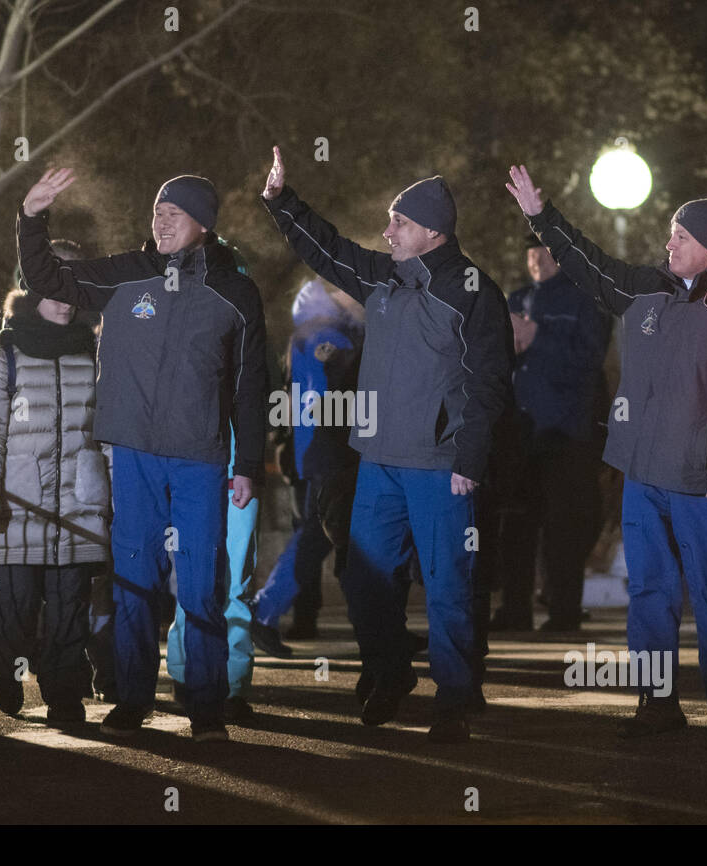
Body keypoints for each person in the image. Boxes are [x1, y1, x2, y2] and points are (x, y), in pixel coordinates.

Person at [506, 165, 707, 742]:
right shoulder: (645, 287)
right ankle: (656, 702)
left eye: (680, 235)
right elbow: (589, 263)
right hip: (644, 474)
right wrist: (542, 216)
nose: (668, 242)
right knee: (650, 595)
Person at [261, 147, 512, 743]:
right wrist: (281, 202)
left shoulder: (473, 290)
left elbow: (490, 382)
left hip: (440, 465)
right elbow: (326, 248)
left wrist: (470, 459)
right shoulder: (383, 277)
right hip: (377, 462)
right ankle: (391, 670)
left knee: (449, 586)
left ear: (432, 231)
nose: (387, 230)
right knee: (364, 578)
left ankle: (452, 698)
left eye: (399, 222)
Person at [18, 168, 267, 743]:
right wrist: (32, 217)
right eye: (156, 211)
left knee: (201, 582)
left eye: (173, 213)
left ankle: (206, 706)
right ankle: (131, 698)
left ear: (203, 224)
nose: (160, 221)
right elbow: (44, 276)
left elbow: (249, 384)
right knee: (133, 578)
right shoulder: (124, 275)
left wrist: (248, 463)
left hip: (201, 457)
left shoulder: (236, 292)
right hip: (132, 454)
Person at [0, 289, 109, 726]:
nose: (67, 302)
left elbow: (108, 433)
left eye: (74, 291)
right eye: (55, 292)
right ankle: (5, 663)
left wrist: (114, 496)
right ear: (30, 295)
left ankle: (65, 693)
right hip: (16, 505)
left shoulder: (95, 352)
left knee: (71, 604)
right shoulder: (5, 356)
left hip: (78, 501)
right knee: (17, 604)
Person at [493, 238, 610, 633]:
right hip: (521, 433)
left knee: (564, 528)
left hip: (566, 432)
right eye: (530, 253)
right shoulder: (517, 297)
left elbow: (591, 359)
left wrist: (537, 336)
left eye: (544, 252)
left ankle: (564, 612)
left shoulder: (583, 302)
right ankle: (514, 609)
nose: (536, 259)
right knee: (516, 528)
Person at [249, 279, 363, 657]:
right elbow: (331, 397)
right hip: (332, 454)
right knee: (318, 537)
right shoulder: (330, 337)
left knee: (328, 538)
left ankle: (381, 629)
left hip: (316, 454)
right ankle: (264, 609)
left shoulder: (303, 337)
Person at [167, 426, 259, 723]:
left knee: (228, 583)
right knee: (194, 578)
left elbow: (253, 403)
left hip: (236, 470)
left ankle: (228, 685)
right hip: (197, 464)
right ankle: (188, 673)